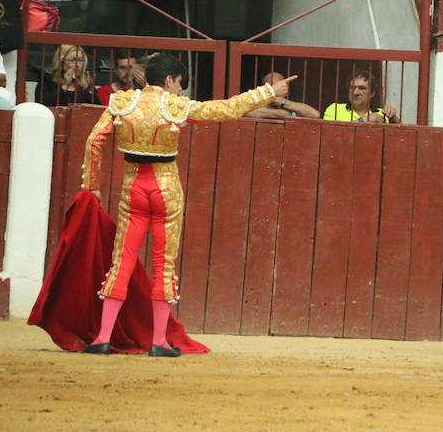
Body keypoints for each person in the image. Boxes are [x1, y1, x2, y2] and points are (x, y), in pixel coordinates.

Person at [80, 55, 295, 357]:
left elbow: (93, 141)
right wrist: (269, 93)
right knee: (162, 265)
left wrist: (92, 186)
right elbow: (225, 109)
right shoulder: (175, 106)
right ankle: (158, 341)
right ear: (169, 80)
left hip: (133, 190)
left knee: (122, 263)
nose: (181, 89)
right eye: (180, 83)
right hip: (165, 189)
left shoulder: (121, 102)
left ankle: (102, 337)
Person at [322, 71, 400, 123]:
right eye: (352, 88)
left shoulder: (381, 113)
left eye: (361, 88)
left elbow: (402, 138)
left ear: (372, 93)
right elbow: (329, 134)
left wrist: (393, 118)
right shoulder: (335, 109)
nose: (355, 92)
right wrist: (364, 120)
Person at [35, 44, 99, 106]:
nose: (77, 65)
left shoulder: (85, 84)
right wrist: (65, 85)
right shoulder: (47, 82)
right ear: (61, 61)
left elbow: (99, 110)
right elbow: (43, 107)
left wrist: (90, 91)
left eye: (80, 60)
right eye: (72, 60)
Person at [244, 72, 320, 119]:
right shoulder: (255, 103)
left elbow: (315, 115)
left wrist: (283, 102)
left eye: (279, 86)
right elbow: (243, 110)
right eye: (271, 86)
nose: (275, 89)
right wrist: (281, 114)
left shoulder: (288, 105)